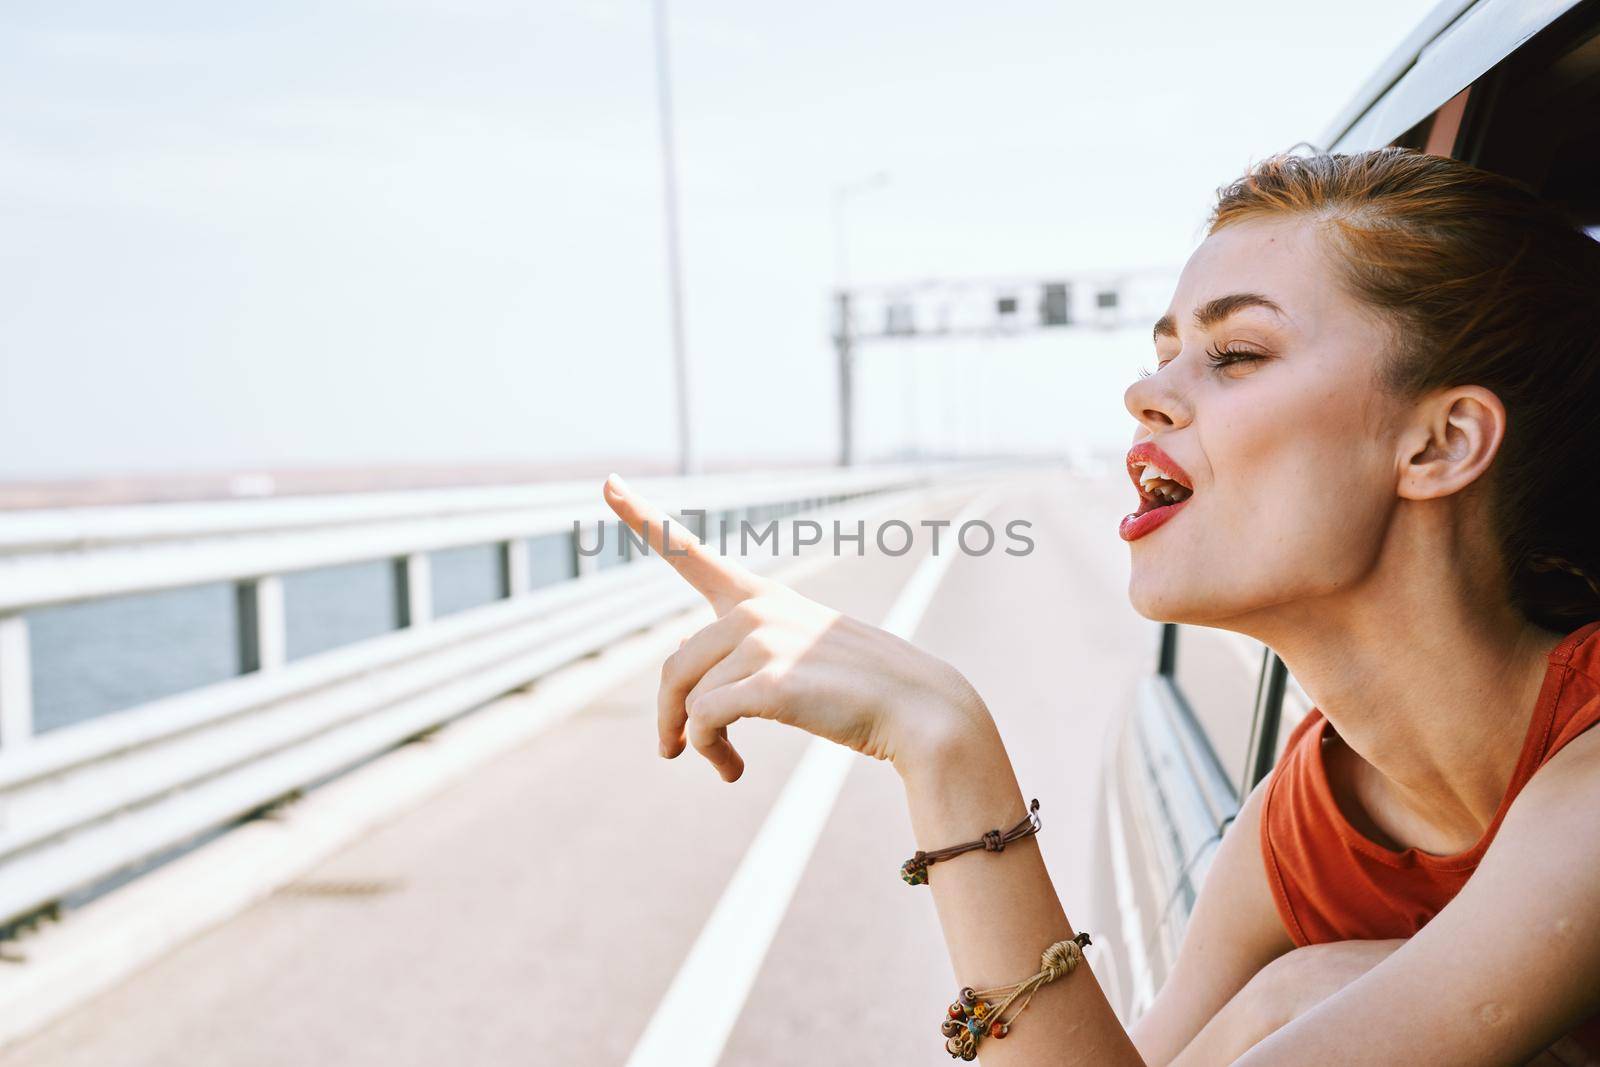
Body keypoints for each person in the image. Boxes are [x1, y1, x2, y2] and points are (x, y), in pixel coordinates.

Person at [602, 147, 1600, 1065]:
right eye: (1160, 353)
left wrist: (944, 743)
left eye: (1236, 354)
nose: (1144, 392)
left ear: (1440, 443)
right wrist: (1276, 1000)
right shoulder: (1296, 826)